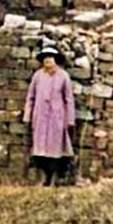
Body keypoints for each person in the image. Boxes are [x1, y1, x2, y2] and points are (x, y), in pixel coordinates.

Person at [22, 43, 77, 186]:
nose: (48, 60)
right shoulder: (38, 76)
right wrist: (28, 115)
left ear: (56, 59)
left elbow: (69, 99)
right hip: (40, 117)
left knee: (55, 150)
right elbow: (31, 97)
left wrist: (69, 120)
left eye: (51, 57)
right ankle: (44, 177)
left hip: (57, 118)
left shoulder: (63, 76)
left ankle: (54, 178)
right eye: (45, 58)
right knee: (40, 150)